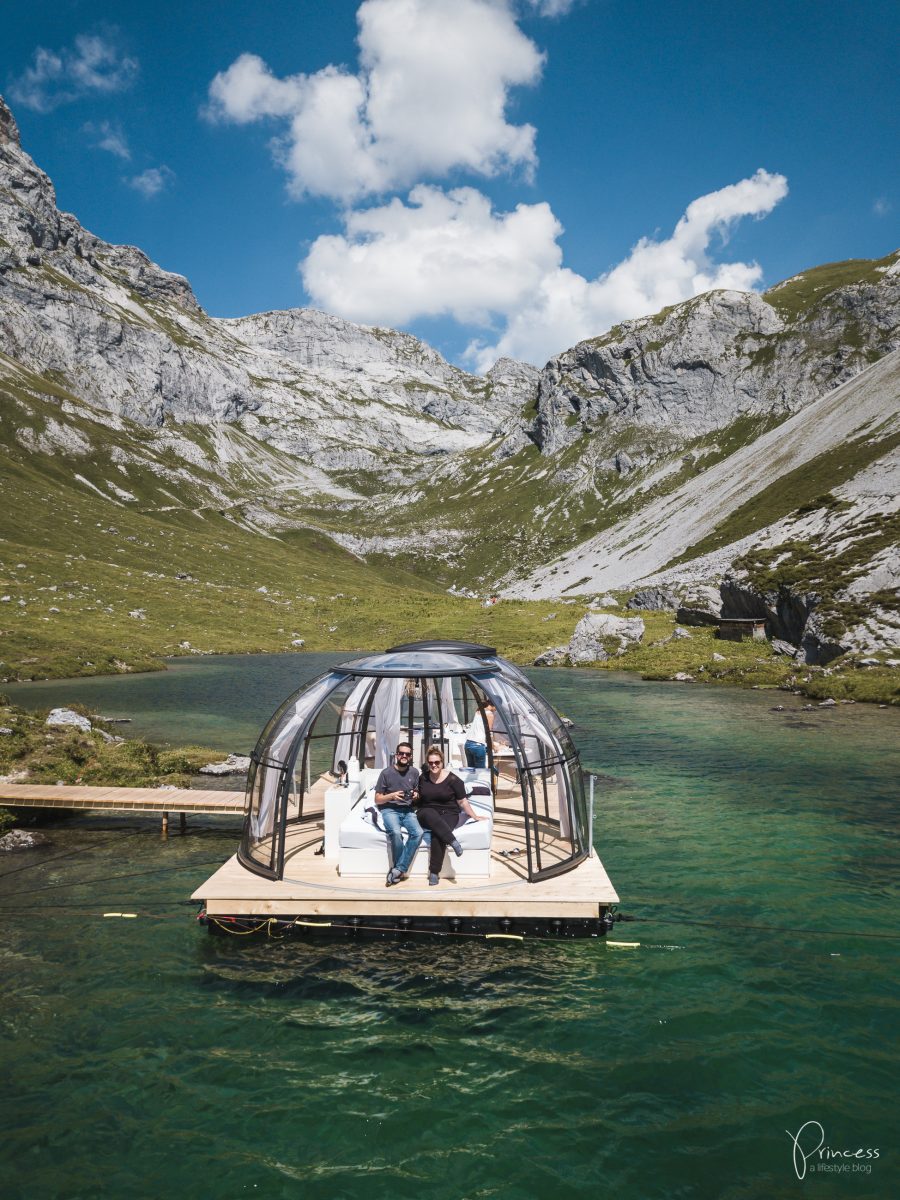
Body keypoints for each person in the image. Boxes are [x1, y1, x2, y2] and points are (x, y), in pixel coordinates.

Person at [416, 744, 488, 886]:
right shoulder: (422, 778)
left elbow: (462, 801)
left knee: (438, 834)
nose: (434, 765)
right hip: (426, 812)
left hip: (449, 813)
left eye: (437, 762)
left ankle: (434, 872)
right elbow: (418, 797)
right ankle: (453, 841)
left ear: (442, 762)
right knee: (429, 813)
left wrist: (474, 816)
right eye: (430, 763)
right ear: (427, 763)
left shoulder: (453, 780)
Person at [374, 741, 424, 886]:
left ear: (410, 756)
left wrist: (416, 795)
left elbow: (417, 793)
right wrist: (392, 796)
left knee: (418, 833)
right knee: (395, 833)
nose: (404, 756)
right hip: (390, 809)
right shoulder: (386, 773)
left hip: (408, 810)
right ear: (396, 755)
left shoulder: (414, 772)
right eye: (401, 753)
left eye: (407, 754)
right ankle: (400, 869)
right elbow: (377, 799)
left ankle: (397, 869)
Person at [463, 702, 496, 769]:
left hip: (468, 744)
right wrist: (493, 746)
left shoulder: (478, 711)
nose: (496, 710)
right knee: (480, 772)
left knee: (471, 772)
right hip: (478, 746)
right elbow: (489, 733)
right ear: (494, 705)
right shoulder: (490, 714)